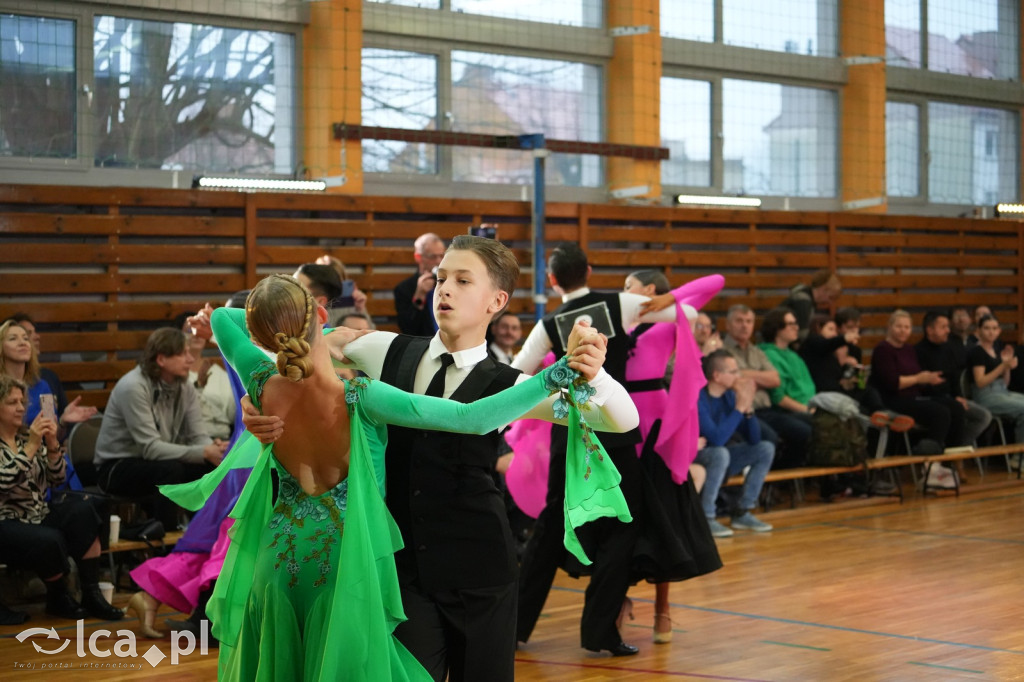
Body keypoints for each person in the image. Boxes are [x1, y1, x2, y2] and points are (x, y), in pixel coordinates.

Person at [166, 273, 605, 681]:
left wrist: (267, 325)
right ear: (322, 314)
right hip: (345, 567)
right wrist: (557, 372)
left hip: (276, 564)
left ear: (260, 335)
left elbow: (223, 318)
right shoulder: (362, 397)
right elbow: (473, 418)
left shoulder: (258, 383)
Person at [513, 243, 695, 657]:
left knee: (551, 526)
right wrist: (658, 300)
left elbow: (519, 372)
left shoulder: (548, 323)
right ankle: (599, 634)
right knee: (622, 527)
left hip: (568, 429)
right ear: (590, 270)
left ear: (553, 279)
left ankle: (514, 629)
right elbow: (690, 314)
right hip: (614, 426)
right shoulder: (621, 304)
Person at [620, 269, 724, 643]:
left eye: (629, 286)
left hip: (655, 424)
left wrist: (670, 297)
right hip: (617, 419)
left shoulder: (668, 318)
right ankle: (619, 600)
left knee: (662, 516)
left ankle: (663, 609)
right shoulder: (622, 320)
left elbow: (717, 282)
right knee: (620, 518)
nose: (624, 292)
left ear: (648, 290)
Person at [0, 375, 123, 623]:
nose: (21, 408)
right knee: (49, 539)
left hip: (37, 513)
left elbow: (56, 479)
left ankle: (92, 592)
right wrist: (34, 444)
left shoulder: (25, 437)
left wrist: (52, 443)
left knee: (85, 510)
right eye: (12, 402)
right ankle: (58, 595)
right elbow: (5, 481)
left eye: (22, 401)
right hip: (6, 520)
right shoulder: (27, 441)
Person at [94, 327, 228, 528]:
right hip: (116, 466)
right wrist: (203, 451)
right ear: (161, 359)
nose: (191, 360)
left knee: (210, 467)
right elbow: (151, 448)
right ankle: (166, 540)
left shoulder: (185, 386)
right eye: (183, 354)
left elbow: (198, 435)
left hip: (157, 461)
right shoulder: (133, 387)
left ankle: (203, 536)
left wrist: (213, 450)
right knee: (171, 471)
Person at [869, 310, 966, 484]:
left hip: (915, 396)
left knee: (955, 408)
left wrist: (928, 380)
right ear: (890, 327)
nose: (903, 331)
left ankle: (952, 460)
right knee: (940, 412)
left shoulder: (909, 349)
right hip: (894, 399)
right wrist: (919, 379)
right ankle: (930, 464)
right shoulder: (882, 350)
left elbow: (917, 378)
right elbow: (892, 383)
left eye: (907, 327)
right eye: (899, 326)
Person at [695, 351, 775, 537]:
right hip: (698, 454)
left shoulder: (730, 396)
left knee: (765, 449)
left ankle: (742, 511)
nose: (738, 377)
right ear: (717, 375)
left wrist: (748, 410)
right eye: (733, 371)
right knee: (720, 453)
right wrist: (739, 409)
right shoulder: (700, 397)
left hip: (721, 455)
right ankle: (707, 517)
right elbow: (715, 439)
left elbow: (754, 439)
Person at [915, 311, 992, 447]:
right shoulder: (918, 351)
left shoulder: (948, 348)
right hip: (932, 399)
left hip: (951, 397)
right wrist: (951, 399)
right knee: (954, 409)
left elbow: (954, 376)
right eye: (943, 327)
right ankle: (951, 452)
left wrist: (957, 395)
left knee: (983, 416)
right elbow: (923, 386)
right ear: (930, 329)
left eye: (948, 327)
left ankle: (957, 448)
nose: (948, 331)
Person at [757, 308, 815, 465]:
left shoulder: (793, 354)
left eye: (795, 323)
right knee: (812, 429)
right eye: (790, 324)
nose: (796, 327)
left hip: (806, 406)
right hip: (784, 411)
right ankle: (786, 472)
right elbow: (779, 398)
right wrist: (808, 410)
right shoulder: (769, 354)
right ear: (776, 328)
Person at [967, 315, 1024, 445]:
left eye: (994, 328)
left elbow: (1005, 383)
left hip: (1002, 392)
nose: (991, 332)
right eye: (987, 328)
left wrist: (1007, 367)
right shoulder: (977, 352)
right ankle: (1019, 455)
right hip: (986, 396)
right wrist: (1002, 366)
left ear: (999, 331)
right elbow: (980, 382)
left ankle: (1018, 455)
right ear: (978, 330)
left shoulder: (997, 350)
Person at [393, 233, 446, 336]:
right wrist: (420, 295)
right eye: (433, 257)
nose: (439, 261)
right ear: (418, 257)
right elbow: (408, 329)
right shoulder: (404, 289)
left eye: (442, 256)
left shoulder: (450, 284)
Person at [781, 269, 842, 339]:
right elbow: (802, 334)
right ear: (823, 289)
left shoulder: (807, 300)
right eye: (830, 297)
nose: (830, 302)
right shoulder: (803, 301)